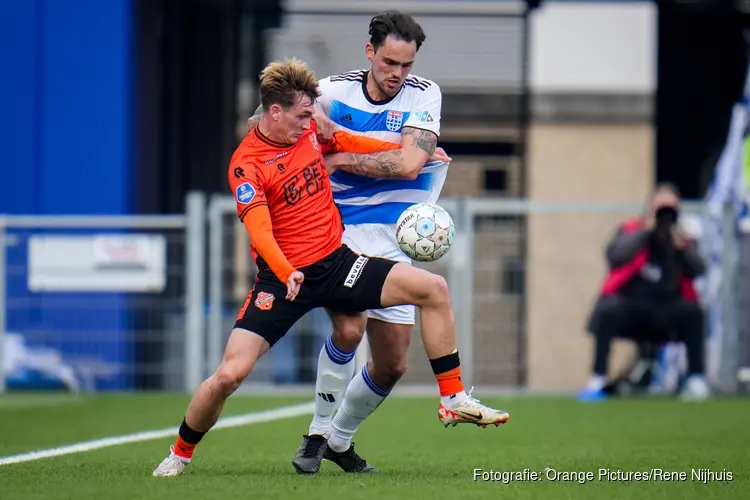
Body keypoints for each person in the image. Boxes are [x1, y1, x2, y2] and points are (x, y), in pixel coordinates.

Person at [153, 58, 508, 478]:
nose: (311, 123)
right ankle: (180, 453)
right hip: (283, 280)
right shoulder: (247, 164)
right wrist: (286, 271)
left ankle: (451, 399)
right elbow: (259, 230)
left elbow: (350, 140)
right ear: (275, 112)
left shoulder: (309, 133)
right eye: (303, 115)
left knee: (432, 289)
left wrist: (419, 155)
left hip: (338, 264)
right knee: (229, 375)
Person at [247, 11, 509, 476]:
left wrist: (340, 154)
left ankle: (337, 439)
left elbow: (410, 164)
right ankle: (317, 432)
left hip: (393, 237)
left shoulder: (425, 94)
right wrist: (316, 129)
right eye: (389, 62)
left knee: (391, 364)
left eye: (406, 65)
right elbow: (266, 124)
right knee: (348, 332)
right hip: (337, 232)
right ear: (370, 53)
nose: (397, 74)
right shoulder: (329, 90)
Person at [578, 183, 710, 402]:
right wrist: (646, 232)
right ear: (649, 207)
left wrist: (681, 247)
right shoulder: (632, 230)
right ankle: (598, 377)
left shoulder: (683, 238)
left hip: (667, 308)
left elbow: (699, 269)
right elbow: (615, 257)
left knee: (693, 312)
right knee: (607, 308)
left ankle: (696, 379)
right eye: (661, 208)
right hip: (632, 307)